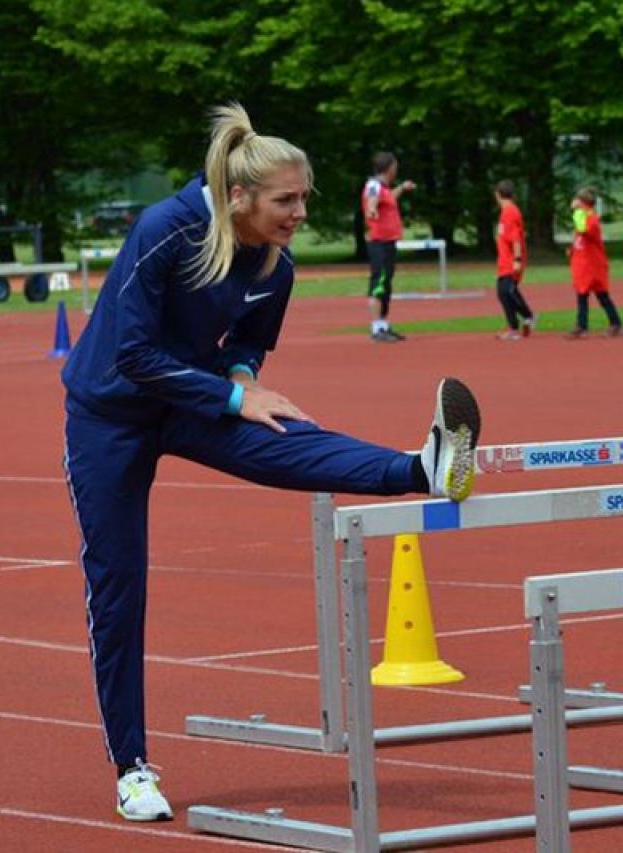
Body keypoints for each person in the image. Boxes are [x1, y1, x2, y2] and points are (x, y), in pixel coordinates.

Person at [61, 104, 482, 823]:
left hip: (193, 398)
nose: (301, 212)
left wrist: (245, 377)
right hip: (111, 413)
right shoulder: (166, 230)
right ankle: (132, 766)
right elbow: (133, 356)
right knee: (119, 585)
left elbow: (246, 344)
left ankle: (423, 466)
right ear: (239, 197)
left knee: (288, 431)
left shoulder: (273, 265)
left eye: (305, 197)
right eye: (286, 200)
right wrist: (229, 392)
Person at [363, 151, 416, 342]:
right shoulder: (374, 185)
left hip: (388, 242)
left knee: (385, 284)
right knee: (379, 283)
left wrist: (402, 187)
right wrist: (372, 209)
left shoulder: (383, 188)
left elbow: (389, 198)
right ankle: (377, 327)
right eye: (395, 166)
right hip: (380, 243)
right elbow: (372, 201)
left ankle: (383, 325)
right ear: (389, 167)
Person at [566, 186, 623, 338]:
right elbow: (578, 234)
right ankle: (582, 325)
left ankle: (615, 324)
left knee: (602, 296)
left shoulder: (590, 219)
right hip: (583, 263)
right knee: (582, 295)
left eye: (577, 200)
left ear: (582, 202)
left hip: (592, 264)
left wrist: (576, 212)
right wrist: (573, 248)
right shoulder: (585, 218)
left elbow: (583, 229)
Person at [492, 180, 535, 340]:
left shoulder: (510, 212)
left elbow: (516, 239)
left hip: (510, 260)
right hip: (505, 260)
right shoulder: (506, 212)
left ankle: (521, 321)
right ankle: (520, 321)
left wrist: (516, 259)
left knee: (506, 291)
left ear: (498, 195)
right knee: (504, 292)